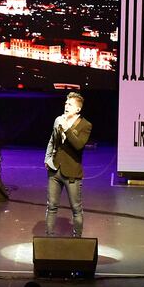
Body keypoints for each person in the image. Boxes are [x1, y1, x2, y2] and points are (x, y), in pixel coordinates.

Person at [44, 92, 92, 237]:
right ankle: (48, 237)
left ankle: (77, 238)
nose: (66, 106)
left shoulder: (85, 125)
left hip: (72, 172)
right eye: (66, 103)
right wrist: (47, 158)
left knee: (76, 208)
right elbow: (52, 140)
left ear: (77, 109)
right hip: (55, 170)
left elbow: (78, 145)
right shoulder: (58, 120)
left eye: (70, 104)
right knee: (51, 205)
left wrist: (66, 129)